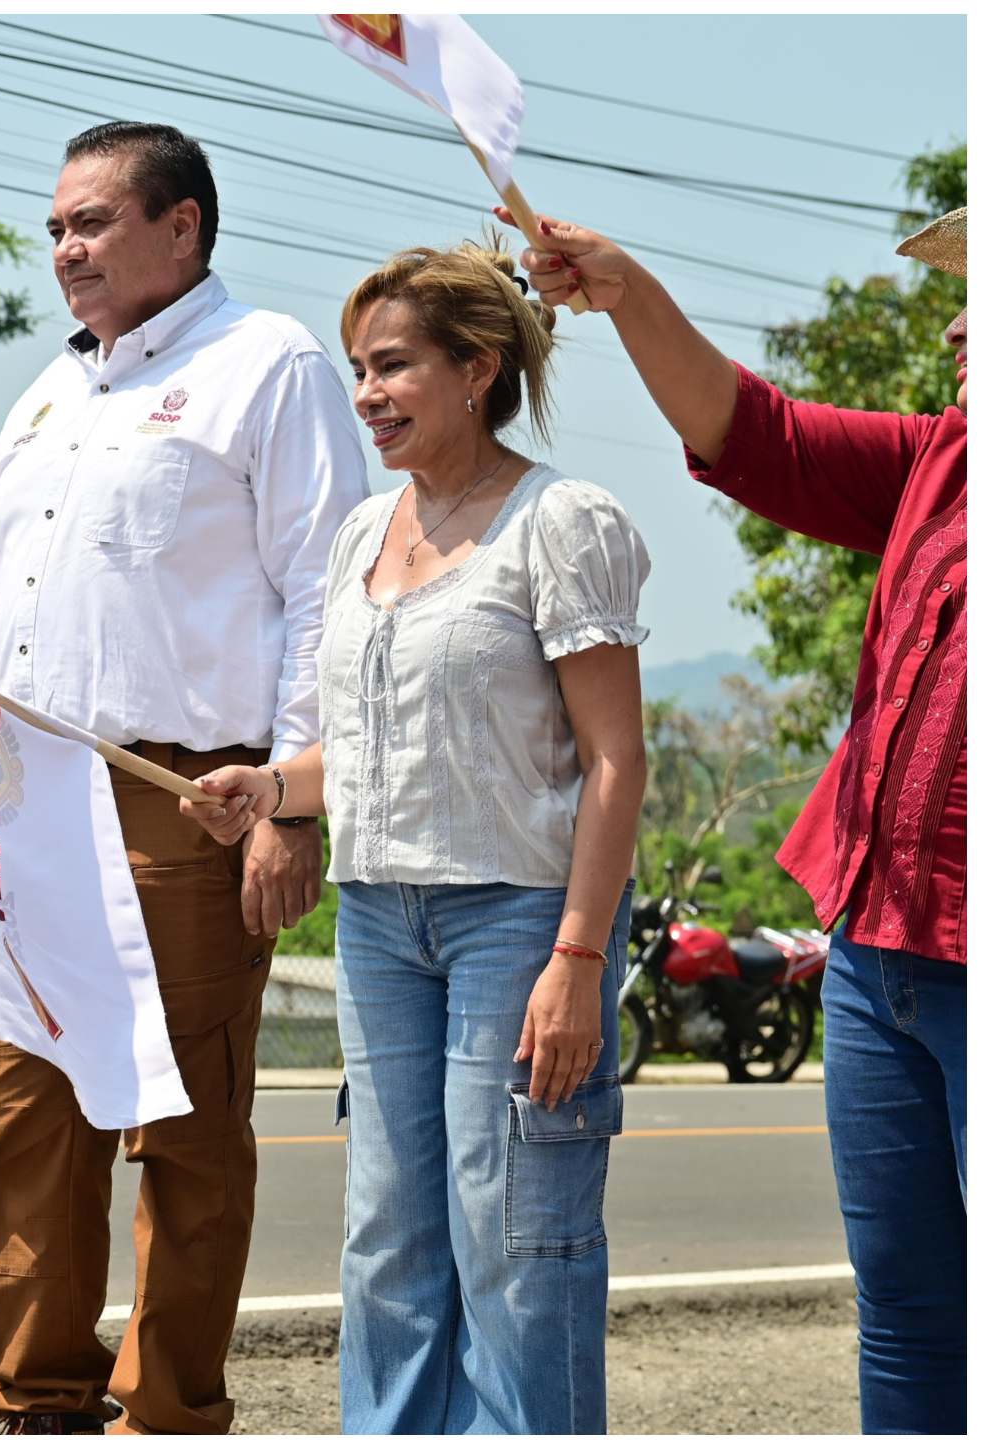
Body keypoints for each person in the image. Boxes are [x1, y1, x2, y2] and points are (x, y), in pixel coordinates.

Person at [181, 241, 648, 1432]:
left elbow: (612, 759)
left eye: (392, 366)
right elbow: (372, 751)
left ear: (478, 368)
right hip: (380, 920)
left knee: (513, 1233)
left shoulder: (561, 523)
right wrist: (270, 792)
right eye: (356, 369)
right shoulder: (357, 538)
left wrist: (578, 960)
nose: (367, 393)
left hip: (518, 918)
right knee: (386, 1237)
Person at [518, 203, 966, 1435]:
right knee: (910, 1317)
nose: (954, 322)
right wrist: (624, 288)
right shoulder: (940, 457)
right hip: (880, 956)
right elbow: (750, 432)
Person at [0, 123, 366, 1433]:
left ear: (181, 225)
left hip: (185, 794)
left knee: (181, 1126)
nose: (66, 250)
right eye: (57, 228)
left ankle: (170, 1409)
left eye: (92, 223)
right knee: (25, 1114)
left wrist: (292, 804)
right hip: (26, 794)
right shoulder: (45, 396)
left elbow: (326, 594)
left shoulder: (271, 365)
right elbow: (8, 601)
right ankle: (41, 1400)